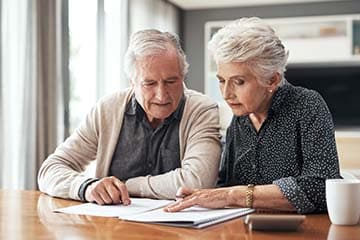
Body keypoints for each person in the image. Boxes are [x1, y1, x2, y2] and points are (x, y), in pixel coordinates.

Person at [165, 17, 341, 214]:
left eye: (238, 82)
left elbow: (322, 187)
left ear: (272, 80)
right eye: (222, 80)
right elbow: (227, 184)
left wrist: (232, 196)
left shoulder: (307, 106)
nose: (226, 94)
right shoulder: (239, 119)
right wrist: (204, 196)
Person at [38, 29, 221, 205]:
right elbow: (50, 170)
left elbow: (198, 181)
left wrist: (127, 185)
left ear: (183, 77)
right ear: (132, 82)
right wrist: (87, 187)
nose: (161, 95)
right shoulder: (107, 109)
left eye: (171, 82)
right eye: (149, 83)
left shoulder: (202, 110)